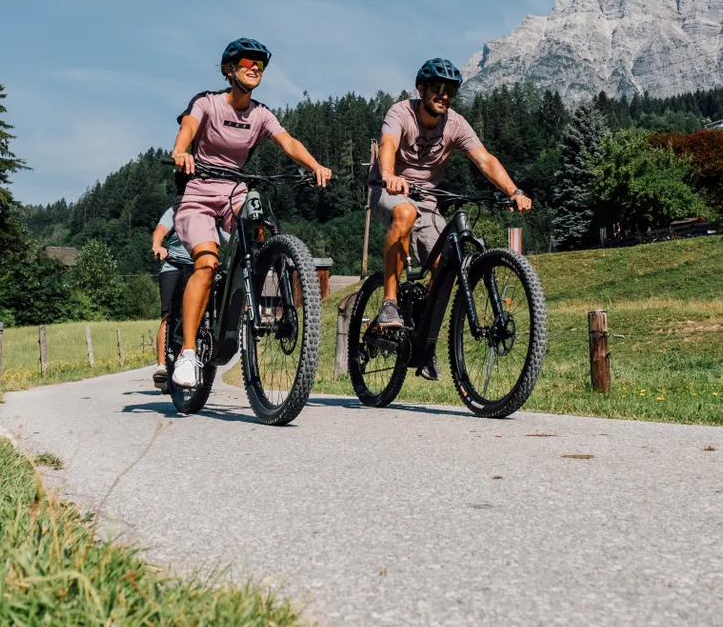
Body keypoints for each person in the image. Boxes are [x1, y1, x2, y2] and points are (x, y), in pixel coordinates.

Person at [170, 37, 332, 390]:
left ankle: (245, 302)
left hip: (234, 191)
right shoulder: (208, 103)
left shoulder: (260, 113)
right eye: (247, 62)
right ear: (230, 69)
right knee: (207, 263)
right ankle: (186, 352)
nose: (254, 68)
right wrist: (181, 152)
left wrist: (315, 165)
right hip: (198, 192)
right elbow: (188, 128)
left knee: (260, 225)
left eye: (260, 64)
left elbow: (288, 141)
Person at [369, 57, 532, 379]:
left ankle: (422, 340)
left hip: (428, 201)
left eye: (450, 91)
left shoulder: (455, 123)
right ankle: (389, 301)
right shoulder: (401, 113)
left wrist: (513, 191)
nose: (443, 96)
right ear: (422, 89)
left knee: (447, 264)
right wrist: (389, 174)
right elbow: (388, 143)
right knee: (404, 211)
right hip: (388, 190)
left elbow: (484, 159)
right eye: (437, 89)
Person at [150, 206, 193, 388]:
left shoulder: (210, 210)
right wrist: (158, 245)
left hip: (197, 268)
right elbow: (161, 229)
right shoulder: (176, 210)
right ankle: (161, 367)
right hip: (173, 266)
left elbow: (226, 235)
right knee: (168, 316)